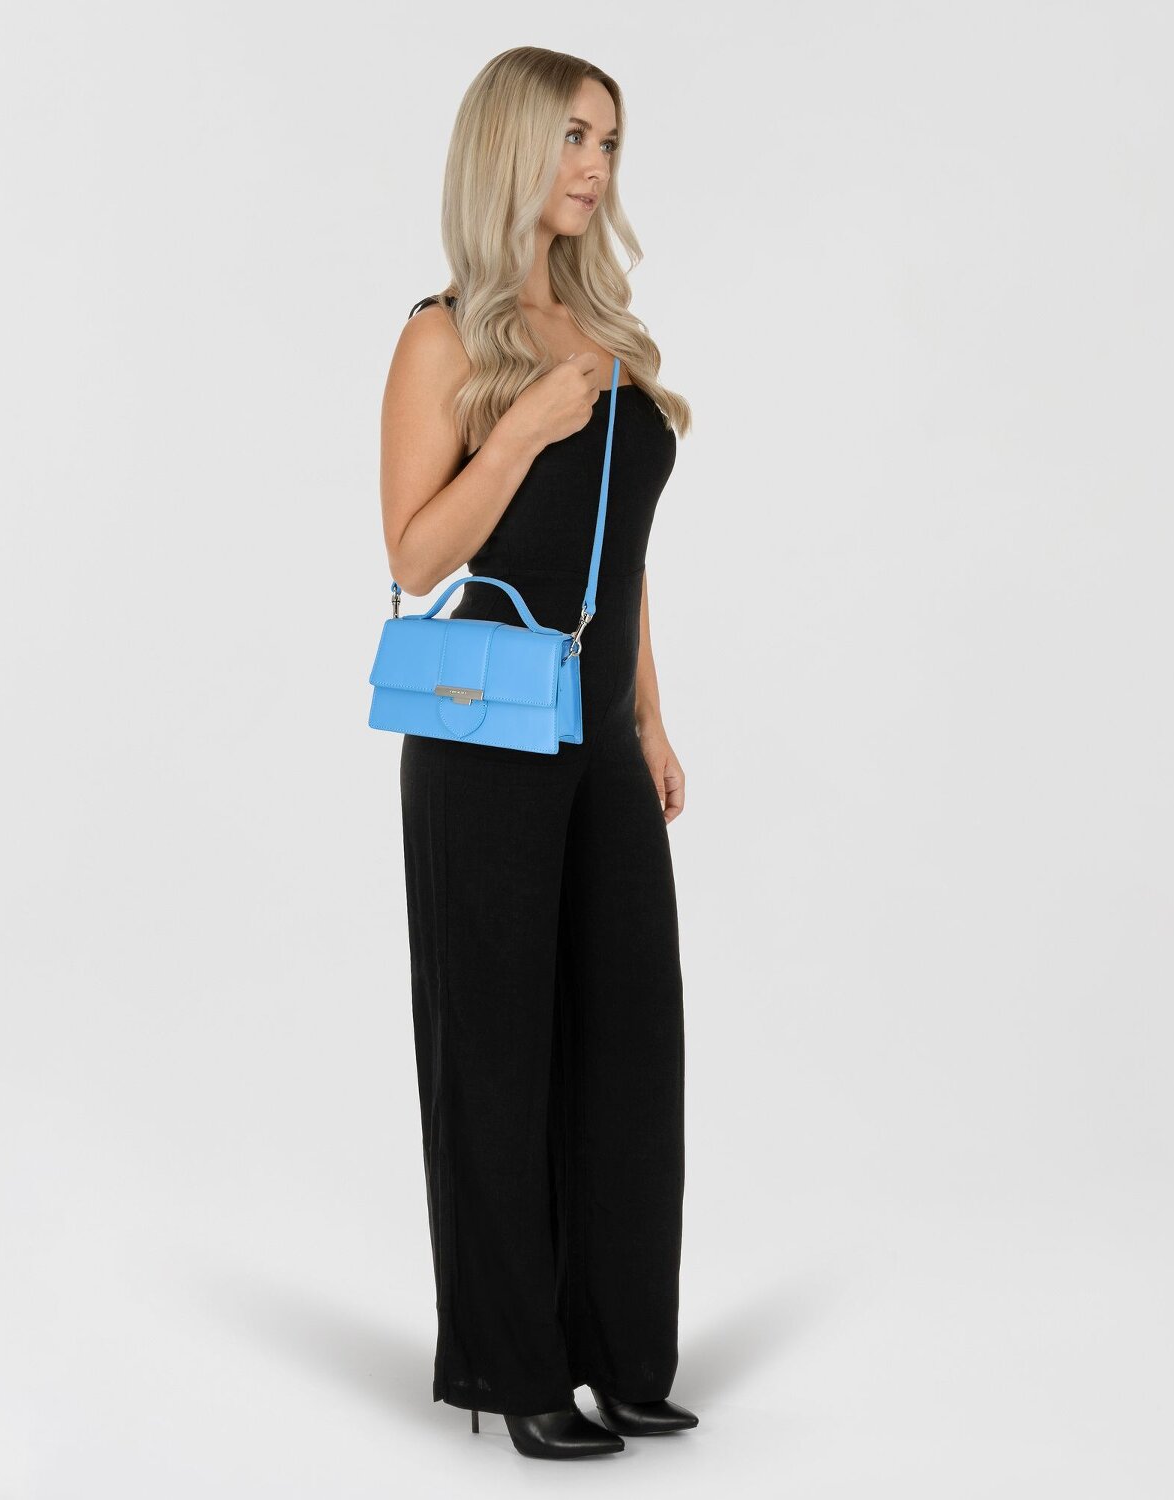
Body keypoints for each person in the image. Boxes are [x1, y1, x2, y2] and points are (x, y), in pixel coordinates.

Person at [379, 45, 697, 1461]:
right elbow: (413, 554)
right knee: (496, 1055)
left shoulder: (608, 330)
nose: (594, 166)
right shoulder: (445, 334)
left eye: (609, 143)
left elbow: (621, 556)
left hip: (599, 732)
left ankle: (620, 1355)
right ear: (511, 144)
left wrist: (649, 717)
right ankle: (515, 1370)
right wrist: (516, 434)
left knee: (630, 1043)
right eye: (573, 136)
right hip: (487, 732)